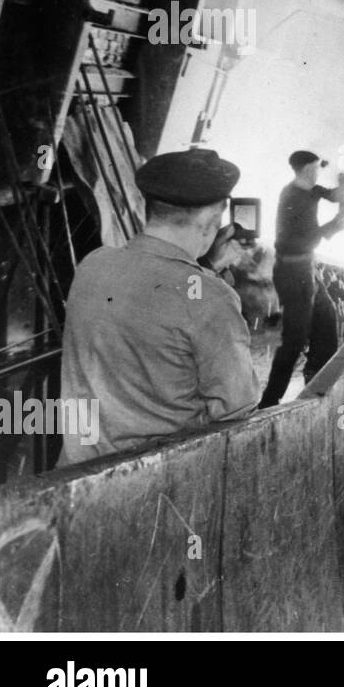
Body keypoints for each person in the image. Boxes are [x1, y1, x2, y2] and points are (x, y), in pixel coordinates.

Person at [57, 148, 261, 465]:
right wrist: (210, 280)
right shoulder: (212, 299)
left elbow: (157, 293)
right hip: (156, 486)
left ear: (150, 209)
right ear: (210, 222)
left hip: (76, 476)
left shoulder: (93, 265)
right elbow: (237, 410)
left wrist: (206, 267)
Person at [261, 150, 344, 407]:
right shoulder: (293, 197)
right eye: (314, 170)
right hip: (293, 274)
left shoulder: (310, 190)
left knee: (325, 318)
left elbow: (334, 195)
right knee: (295, 338)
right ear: (303, 170)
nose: (317, 174)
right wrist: (336, 224)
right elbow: (308, 239)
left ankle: (317, 379)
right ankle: (270, 400)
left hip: (305, 269)